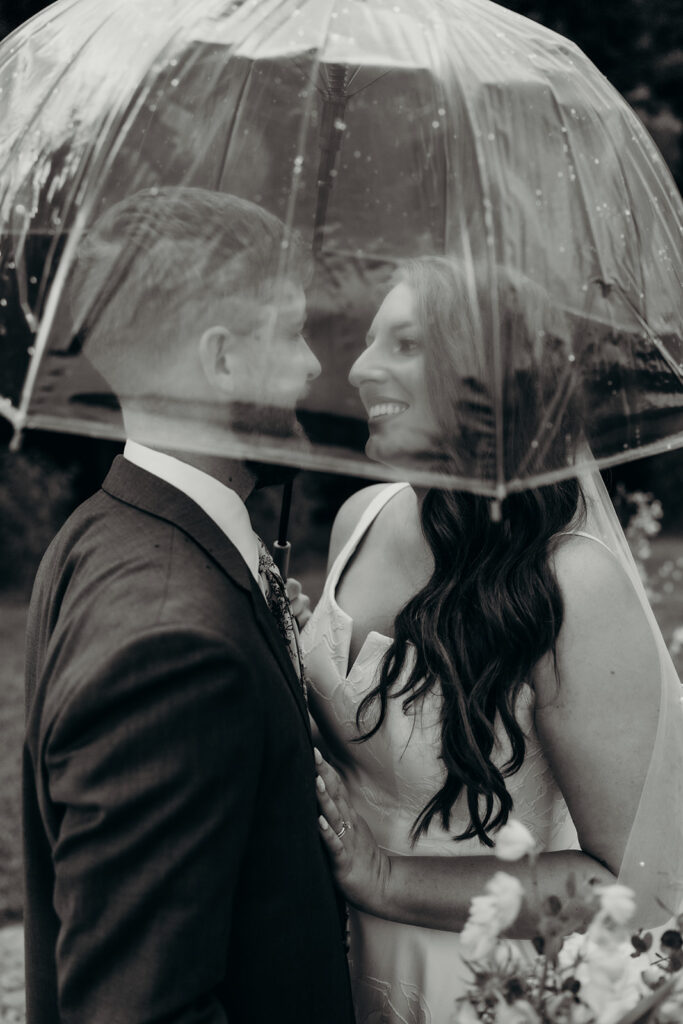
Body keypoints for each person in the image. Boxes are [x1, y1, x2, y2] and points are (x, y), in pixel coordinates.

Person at [300, 256, 683, 1024]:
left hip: (489, 984)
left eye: (404, 345)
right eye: (369, 342)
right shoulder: (361, 520)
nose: (363, 368)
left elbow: (635, 888)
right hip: (332, 958)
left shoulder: (571, 585)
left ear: (492, 377)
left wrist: (388, 879)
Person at [23, 186, 355, 1024]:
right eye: (288, 331)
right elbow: (141, 1005)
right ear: (219, 361)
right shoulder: (174, 643)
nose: (314, 365)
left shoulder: (99, 530)